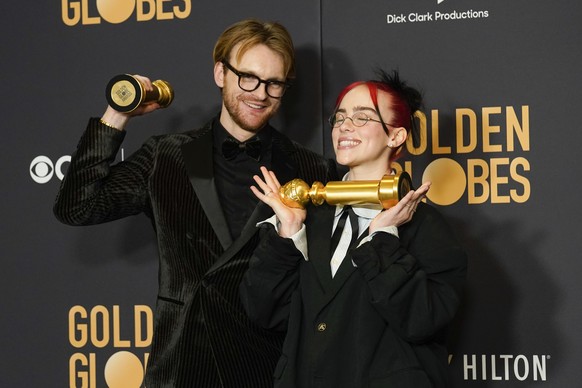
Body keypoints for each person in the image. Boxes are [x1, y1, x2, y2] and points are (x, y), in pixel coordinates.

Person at [53, 18, 336, 388]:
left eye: (274, 83)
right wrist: (118, 112)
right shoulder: (165, 156)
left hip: (268, 366)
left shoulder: (310, 168)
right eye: (247, 77)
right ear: (220, 73)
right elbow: (77, 206)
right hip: (182, 362)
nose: (259, 93)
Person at [240, 70, 467, 387]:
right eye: (340, 117)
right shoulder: (307, 216)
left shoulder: (425, 227)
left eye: (363, 118)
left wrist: (383, 240)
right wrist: (288, 234)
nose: (345, 126)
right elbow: (265, 312)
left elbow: (422, 321)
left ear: (395, 136)